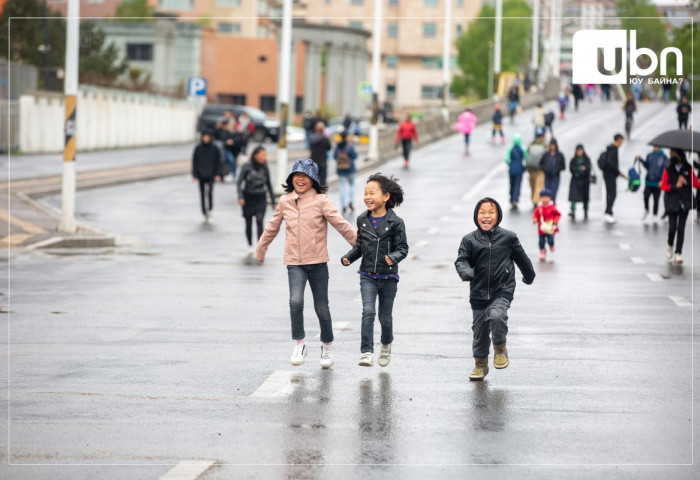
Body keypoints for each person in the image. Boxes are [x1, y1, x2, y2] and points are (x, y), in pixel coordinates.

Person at [255, 159, 356, 368]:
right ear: (291, 179)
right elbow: (272, 227)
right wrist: (261, 248)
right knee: (295, 301)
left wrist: (361, 245)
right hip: (295, 262)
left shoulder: (322, 201)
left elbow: (341, 224)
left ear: (313, 179)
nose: (300, 179)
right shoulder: (285, 202)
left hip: (318, 262)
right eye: (297, 175)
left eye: (305, 176)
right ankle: (300, 343)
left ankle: (327, 345)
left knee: (322, 308)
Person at [454, 197, 536, 381]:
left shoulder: (508, 237)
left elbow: (522, 259)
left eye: (491, 212)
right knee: (480, 333)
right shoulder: (469, 240)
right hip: (478, 293)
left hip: (502, 289)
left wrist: (529, 276)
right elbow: (461, 260)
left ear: (498, 215)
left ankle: (500, 348)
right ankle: (480, 365)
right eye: (482, 213)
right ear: (476, 216)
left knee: (497, 315)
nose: (486, 216)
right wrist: (466, 271)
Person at [341, 174, 408, 367]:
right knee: (368, 312)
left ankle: (386, 344)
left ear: (385, 196)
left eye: (372, 193)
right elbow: (360, 246)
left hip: (388, 277)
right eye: (365, 193)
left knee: (385, 318)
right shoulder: (362, 219)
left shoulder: (396, 222)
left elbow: (403, 248)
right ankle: (366, 351)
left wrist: (393, 257)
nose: (367, 197)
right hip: (367, 275)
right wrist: (349, 257)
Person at [660, 149, 699, 264]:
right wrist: (675, 185)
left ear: (680, 155)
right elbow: (663, 186)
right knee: (673, 228)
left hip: (685, 203)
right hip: (672, 202)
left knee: (681, 228)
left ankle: (678, 253)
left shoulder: (688, 168)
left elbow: (696, 184)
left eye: (674, 153)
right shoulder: (668, 170)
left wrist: (686, 182)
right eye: (671, 154)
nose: (672, 155)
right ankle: (670, 244)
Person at [237, 146, 276, 254]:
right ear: (255, 155)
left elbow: (269, 184)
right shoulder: (247, 166)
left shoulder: (265, 167)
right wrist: (240, 196)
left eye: (265, 155)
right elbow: (239, 182)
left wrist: (273, 201)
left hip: (260, 196)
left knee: (259, 220)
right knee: (248, 221)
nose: (264, 157)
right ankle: (250, 245)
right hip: (248, 196)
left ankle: (260, 246)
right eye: (262, 155)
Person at [191, 130, 222, 223]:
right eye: (204, 137)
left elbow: (218, 162)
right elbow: (194, 162)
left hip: (211, 174)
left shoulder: (214, 148)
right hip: (201, 175)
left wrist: (217, 174)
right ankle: (204, 211)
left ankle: (210, 209)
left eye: (207, 137)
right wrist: (194, 174)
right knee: (202, 193)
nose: (206, 138)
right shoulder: (198, 148)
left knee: (210, 192)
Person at [637, 146, 669, 225]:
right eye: (654, 146)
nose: (655, 147)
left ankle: (655, 215)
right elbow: (647, 166)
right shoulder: (649, 155)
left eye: (656, 146)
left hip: (658, 183)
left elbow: (665, 169)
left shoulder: (664, 157)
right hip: (648, 181)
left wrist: (662, 180)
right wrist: (640, 159)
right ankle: (646, 209)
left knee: (656, 199)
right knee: (646, 196)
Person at [600, 134, 627, 224]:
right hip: (610, 175)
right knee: (612, 194)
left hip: (608, 174)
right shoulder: (613, 150)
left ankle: (609, 212)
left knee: (610, 193)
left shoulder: (610, 148)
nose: (622, 143)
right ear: (618, 140)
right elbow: (610, 163)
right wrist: (619, 173)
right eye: (622, 141)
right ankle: (608, 212)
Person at [334, 131, 358, 214]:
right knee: (351, 185)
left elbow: (334, 156)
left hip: (340, 169)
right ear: (347, 136)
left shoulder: (337, 145)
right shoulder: (349, 145)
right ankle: (351, 201)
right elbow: (354, 156)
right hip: (350, 168)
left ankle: (343, 205)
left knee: (342, 186)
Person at [533, 189, 561, 261]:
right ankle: (542, 251)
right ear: (540, 198)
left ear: (550, 198)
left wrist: (555, 220)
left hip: (550, 228)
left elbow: (558, 214)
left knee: (550, 240)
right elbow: (535, 215)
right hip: (542, 228)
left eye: (546, 197)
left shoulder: (552, 207)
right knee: (541, 241)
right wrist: (535, 219)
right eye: (543, 197)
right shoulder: (539, 208)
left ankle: (551, 244)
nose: (545, 199)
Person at [567, 144, 592, 220]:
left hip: (584, 181)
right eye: (578, 151)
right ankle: (572, 210)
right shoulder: (573, 160)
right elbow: (572, 169)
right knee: (574, 196)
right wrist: (580, 168)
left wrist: (582, 169)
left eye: (580, 150)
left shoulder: (586, 159)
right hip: (575, 180)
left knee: (585, 197)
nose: (579, 152)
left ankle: (585, 211)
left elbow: (588, 168)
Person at [539, 138, 566, 203]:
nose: (552, 147)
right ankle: (548, 206)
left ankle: (552, 206)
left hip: (555, 176)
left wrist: (557, 170)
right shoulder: (546, 154)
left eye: (554, 145)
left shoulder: (559, 155)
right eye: (551, 145)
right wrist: (545, 169)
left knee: (553, 192)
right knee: (547, 193)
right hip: (547, 176)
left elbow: (563, 166)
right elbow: (541, 164)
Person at [505, 133, 527, 209]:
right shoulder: (522, 149)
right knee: (517, 184)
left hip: (511, 169)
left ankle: (511, 198)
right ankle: (515, 198)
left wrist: (511, 164)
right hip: (519, 170)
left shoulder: (510, 149)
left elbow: (507, 159)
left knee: (512, 184)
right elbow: (526, 158)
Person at [526, 132, 547, 208]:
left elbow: (526, 155)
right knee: (539, 186)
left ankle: (533, 199)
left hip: (531, 169)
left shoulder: (530, 145)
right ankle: (535, 201)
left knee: (533, 185)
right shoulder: (544, 146)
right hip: (540, 169)